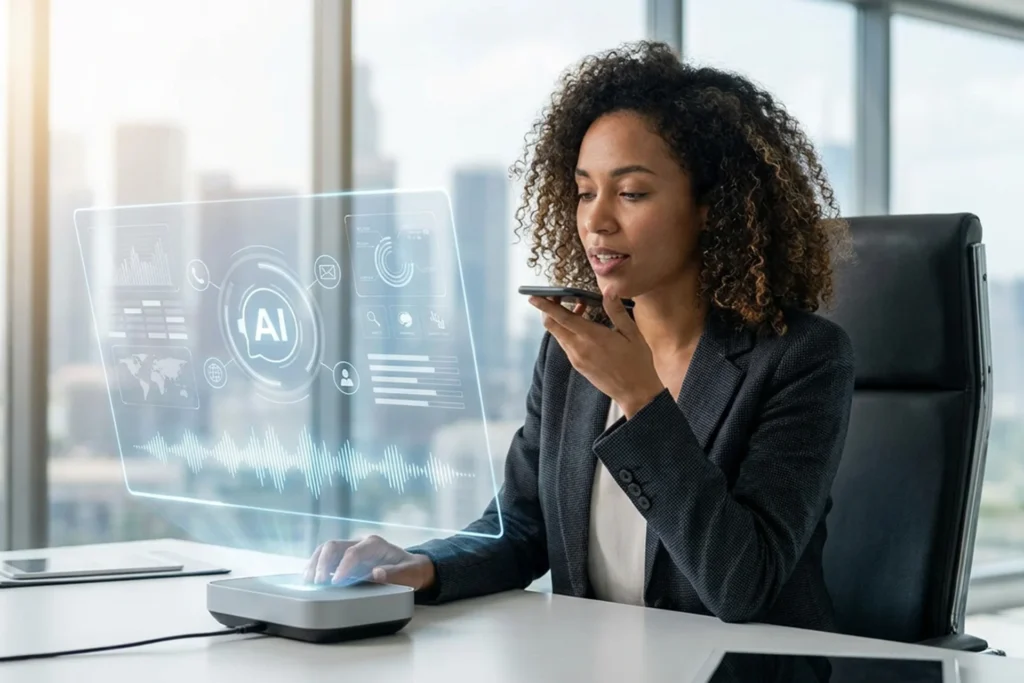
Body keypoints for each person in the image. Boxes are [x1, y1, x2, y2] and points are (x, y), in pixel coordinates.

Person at [305, 40, 855, 632]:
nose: (596, 219)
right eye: (586, 191)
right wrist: (422, 564)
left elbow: (742, 586)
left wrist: (642, 400)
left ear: (710, 207)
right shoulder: (573, 347)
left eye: (632, 192)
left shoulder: (802, 359)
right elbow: (523, 527)